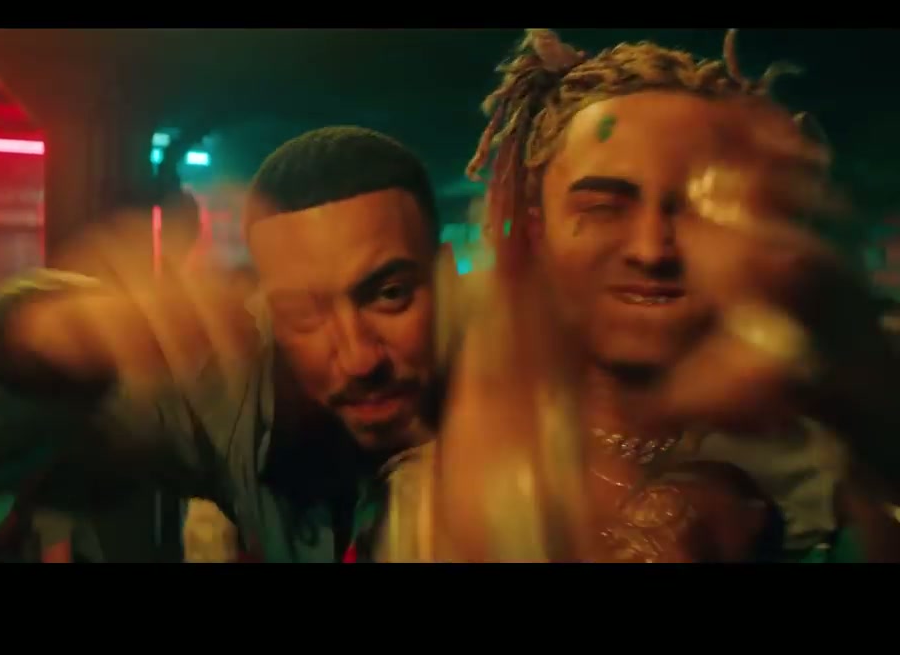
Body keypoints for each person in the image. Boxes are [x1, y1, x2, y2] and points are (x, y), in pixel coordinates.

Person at [385, 29, 900, 562]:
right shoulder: (444, 495)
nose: (652, 249)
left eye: (693, 207)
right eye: (604, 209)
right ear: (538, 233)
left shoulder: (824, 468)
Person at [0, 127, 442, 562]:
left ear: (445, 277)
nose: (359, 357)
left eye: (390, 294)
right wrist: (48, 344)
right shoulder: (248, 405)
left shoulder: (490, 406)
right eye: (305, 312)